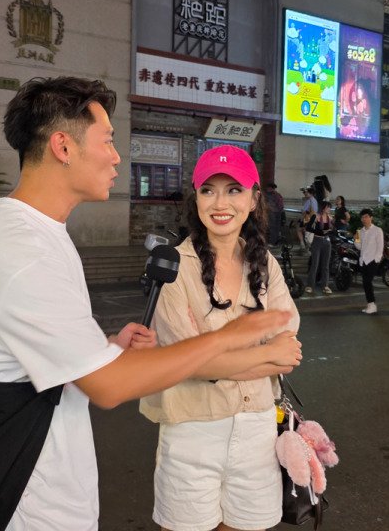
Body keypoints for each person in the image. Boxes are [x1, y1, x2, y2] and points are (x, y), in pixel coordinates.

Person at [0, 77, 292, 530]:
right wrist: (233, 339)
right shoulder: (23, 252)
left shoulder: (39, 236)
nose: (116, 156)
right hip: (22, 495)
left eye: (235, 190)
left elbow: (48, 356)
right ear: (64, 147)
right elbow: (108, 387)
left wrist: (103, 346)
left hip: (35, 480)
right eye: (106, 141)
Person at [139, 144, 303, 531]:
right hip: (193, 429)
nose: (220, 202)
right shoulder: (172, 266)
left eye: (234, 189)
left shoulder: (266, 263)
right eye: (208, 189)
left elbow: (288, 351)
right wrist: (261, 356)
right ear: (194, 197)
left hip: (258, 428)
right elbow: (191, 362)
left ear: (253, 199)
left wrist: (215, 358)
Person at [304, 200, 334, 296]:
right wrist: (320, 230)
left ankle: (325, 285)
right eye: (328, 207)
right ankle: (310, 285)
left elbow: (333, 229)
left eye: (330, 207)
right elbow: (308, 228)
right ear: (323, 208)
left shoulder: (330, 218)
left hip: (327, 242)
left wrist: (329, 231)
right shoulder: (316, 216)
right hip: (317, 240)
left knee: (325, 265)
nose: (329, 209)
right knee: (315, 264)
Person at [358, 207, 384, 315]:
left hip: (372, 260)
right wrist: (356, 240)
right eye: (363, 217)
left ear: (371, 218)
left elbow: (380, 246)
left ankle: (372, 304)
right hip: (363, 260)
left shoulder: (377, 230)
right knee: (365, 283)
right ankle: (370, 304)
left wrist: (377, 259)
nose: (364, 219)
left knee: (367, 282)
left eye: (366, 217)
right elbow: (359, 247)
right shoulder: (360, 231)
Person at [295, 185, 318, 253]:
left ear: (310, 193)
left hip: (308, 219)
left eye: (306, 192)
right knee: (306, 232)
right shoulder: (314, 200)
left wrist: (301, 219)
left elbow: (304, 211)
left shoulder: (309, 201)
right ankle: (306, 246)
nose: (304, 194)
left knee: (301, 230)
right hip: (313, 219)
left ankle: (303, 245)